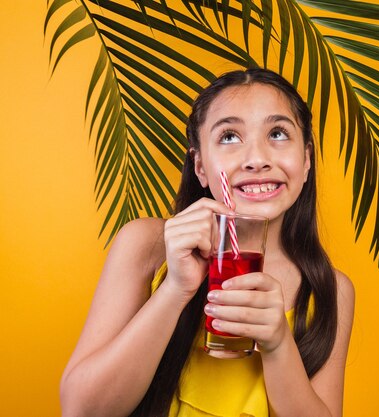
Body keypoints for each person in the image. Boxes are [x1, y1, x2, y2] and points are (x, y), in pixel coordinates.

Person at [59, 68, 355, 417]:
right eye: (229, 136)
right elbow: (82, 410)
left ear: (306, 160)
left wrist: (278, 344)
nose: (257, 159)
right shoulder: (148, 245)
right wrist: (174, 290)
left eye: (277, 133)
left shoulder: (329, 289)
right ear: (200, 165)